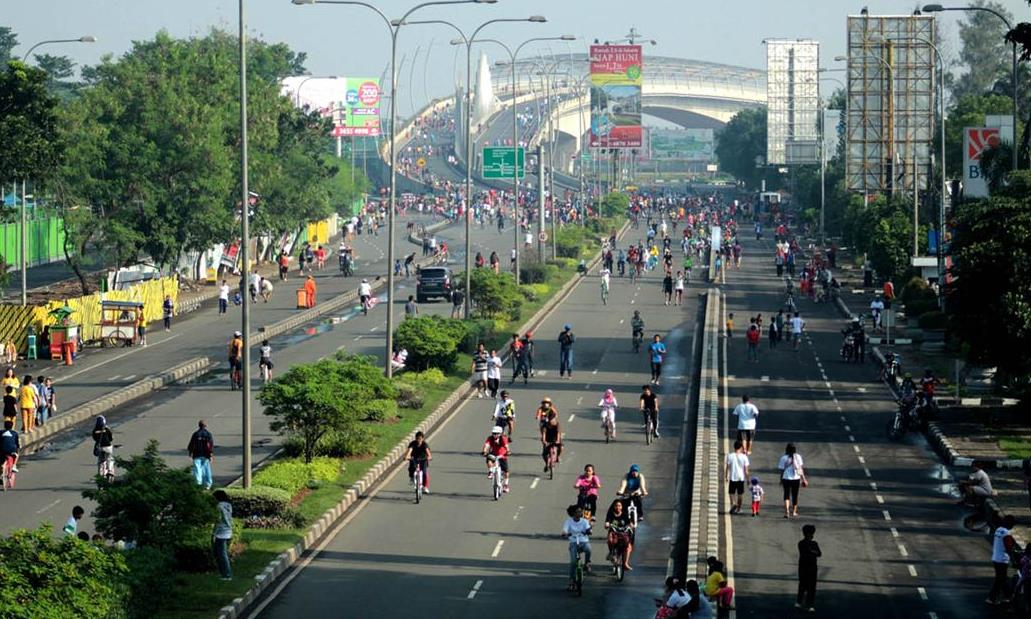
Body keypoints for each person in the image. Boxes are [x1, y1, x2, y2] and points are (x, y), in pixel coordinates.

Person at [562, 505, 593, 591]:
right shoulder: (568, 522)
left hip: (583, 541)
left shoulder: (584, 521)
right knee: (573, 562)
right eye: (578, 512)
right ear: (573, 513)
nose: (580, 513)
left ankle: (587, 563)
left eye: (581, 511)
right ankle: (571, 581)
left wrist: (588, 531)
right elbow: (564, 530)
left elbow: (589, 530)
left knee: (588, 549)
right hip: (573, 542)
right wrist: (565, 533)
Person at [604, 498, 635, 571]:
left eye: (619, 506)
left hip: (623, 534)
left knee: (628, 547)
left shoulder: (625, 514)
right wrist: (607, 524)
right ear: (614, 507)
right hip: (614, 533)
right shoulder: (611, 514)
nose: (618, 507)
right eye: (616, 506)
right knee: (610, 540)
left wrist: (631, 525)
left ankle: (625, 563)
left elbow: (630, 523)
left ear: (622, 507)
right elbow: (607, 522)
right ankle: (611, 553)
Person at [797, 524, 822, 611]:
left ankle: (806, 603)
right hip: (806, 567)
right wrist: (812, 551)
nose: (812, 535)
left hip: (808, 567)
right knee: (804, 585)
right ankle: (803, 603)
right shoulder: (802, 543)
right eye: (810, 534)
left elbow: (819, 554)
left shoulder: (811, 543)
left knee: (809, 586)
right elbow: (816, 553)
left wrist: (812, 551)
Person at [778, 443, 807, 518]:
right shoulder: (798, 457)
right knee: (795, 495)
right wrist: (803, 479)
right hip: (796, 478)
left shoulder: (783, 458)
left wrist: (781, 479)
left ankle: (787, 511)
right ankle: (794, 512)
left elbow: (782, 470)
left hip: (786, 478)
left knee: (786, 495)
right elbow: (800, 469)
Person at [213, 490, 234, 580]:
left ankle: (227, 574)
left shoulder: (219, 506)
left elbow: (218, 521)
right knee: (223, 554)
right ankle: (224, 573)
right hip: (228, 531)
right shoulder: (228, 505)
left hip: (220, 533)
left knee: (221, 555)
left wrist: (214, 533)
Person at [482, 426, 510, 493]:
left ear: (500, 433)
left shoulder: (503, 438)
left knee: (506, 471)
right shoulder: (490, 438)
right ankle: (491, 471)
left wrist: (508, 451)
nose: (495, 435)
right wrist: (484, 451)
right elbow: (486, 445)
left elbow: (506, 446)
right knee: (488, 459)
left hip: (502, 455)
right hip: (493, 454)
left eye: (497, 433)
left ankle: (506, 485)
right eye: (494, 433)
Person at [187, 420, 215, 489]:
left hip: (196, 454)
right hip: (206, 455)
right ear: (205, 426)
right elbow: (210, 445)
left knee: (197, 470)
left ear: (199, 425)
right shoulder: (208, 434)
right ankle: (208, 484)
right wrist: (211, 454)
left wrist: (190, 453)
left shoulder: (195, 434)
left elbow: (191, 444)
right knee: (206, 469)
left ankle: (198, 483)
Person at [725, 439, 750, 515]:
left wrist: (726, 476)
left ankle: (733, 503)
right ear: (741, 447)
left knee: (731, 492)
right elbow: (746, 470)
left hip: (733, 477)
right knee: (740, 493)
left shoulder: (730, 456)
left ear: (734, 447)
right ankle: (739, 508)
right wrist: (748, 479)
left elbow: (727, 467)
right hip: (741, 478)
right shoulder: (744, 457)